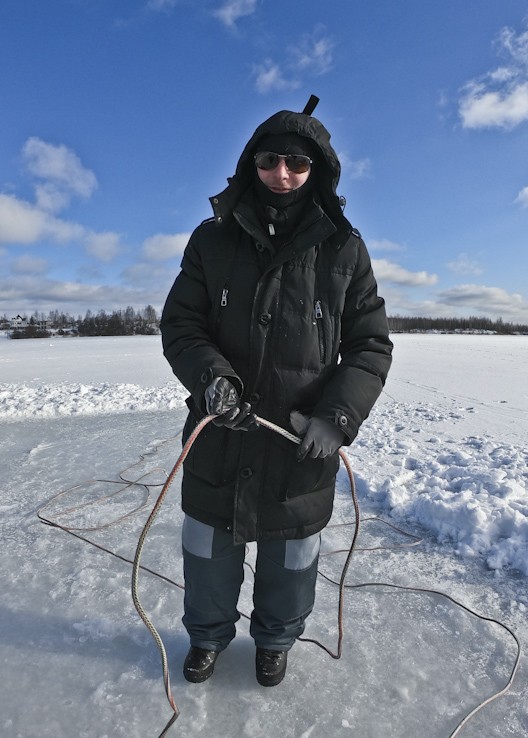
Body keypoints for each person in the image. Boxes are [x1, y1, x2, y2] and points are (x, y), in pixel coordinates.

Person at [160, 96, 393, 688]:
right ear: (250, 162)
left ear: (318, 171)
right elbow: (182, 324)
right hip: (219, 436)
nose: (281, 174)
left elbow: (369, 346)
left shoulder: (344, 248)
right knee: (208, 550)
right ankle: (208, 637)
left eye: (297, 162)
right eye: (269, 159)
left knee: (292, 559)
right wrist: (212, 376)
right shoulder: (211, 240)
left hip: (298, 444)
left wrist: (335, 417)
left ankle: (275, 640)